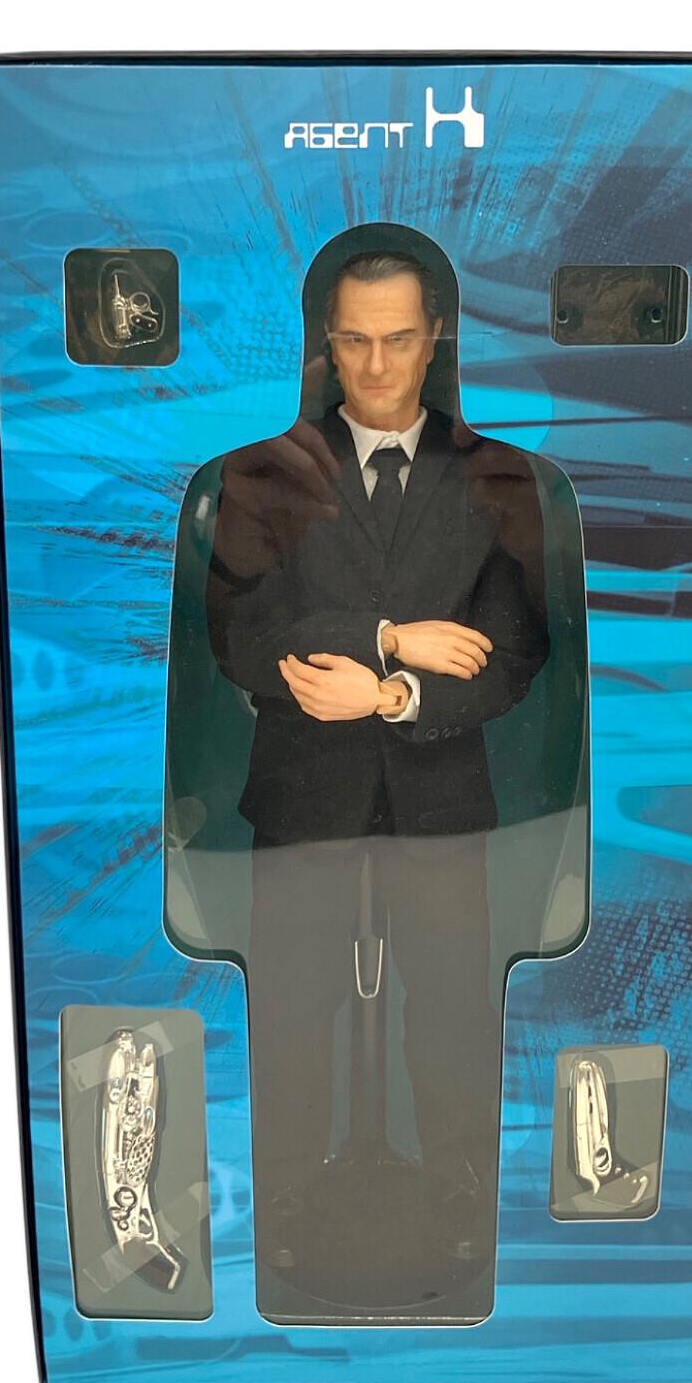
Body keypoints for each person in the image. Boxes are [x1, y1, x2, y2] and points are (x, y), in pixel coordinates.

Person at [204, 249, 550, 1320]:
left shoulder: (497, 476)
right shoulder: (266, 474)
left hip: (443, 801)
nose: (378, 366)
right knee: (291, 1011)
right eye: (354, 341)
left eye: (399, 340)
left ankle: (463, 1208)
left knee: (451, 1012)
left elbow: (513, 650)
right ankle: (281, 1210)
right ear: (326, 342)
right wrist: (390, 638)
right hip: (303, 797)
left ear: (436, 336)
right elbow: (243, 635)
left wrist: (391, 697)